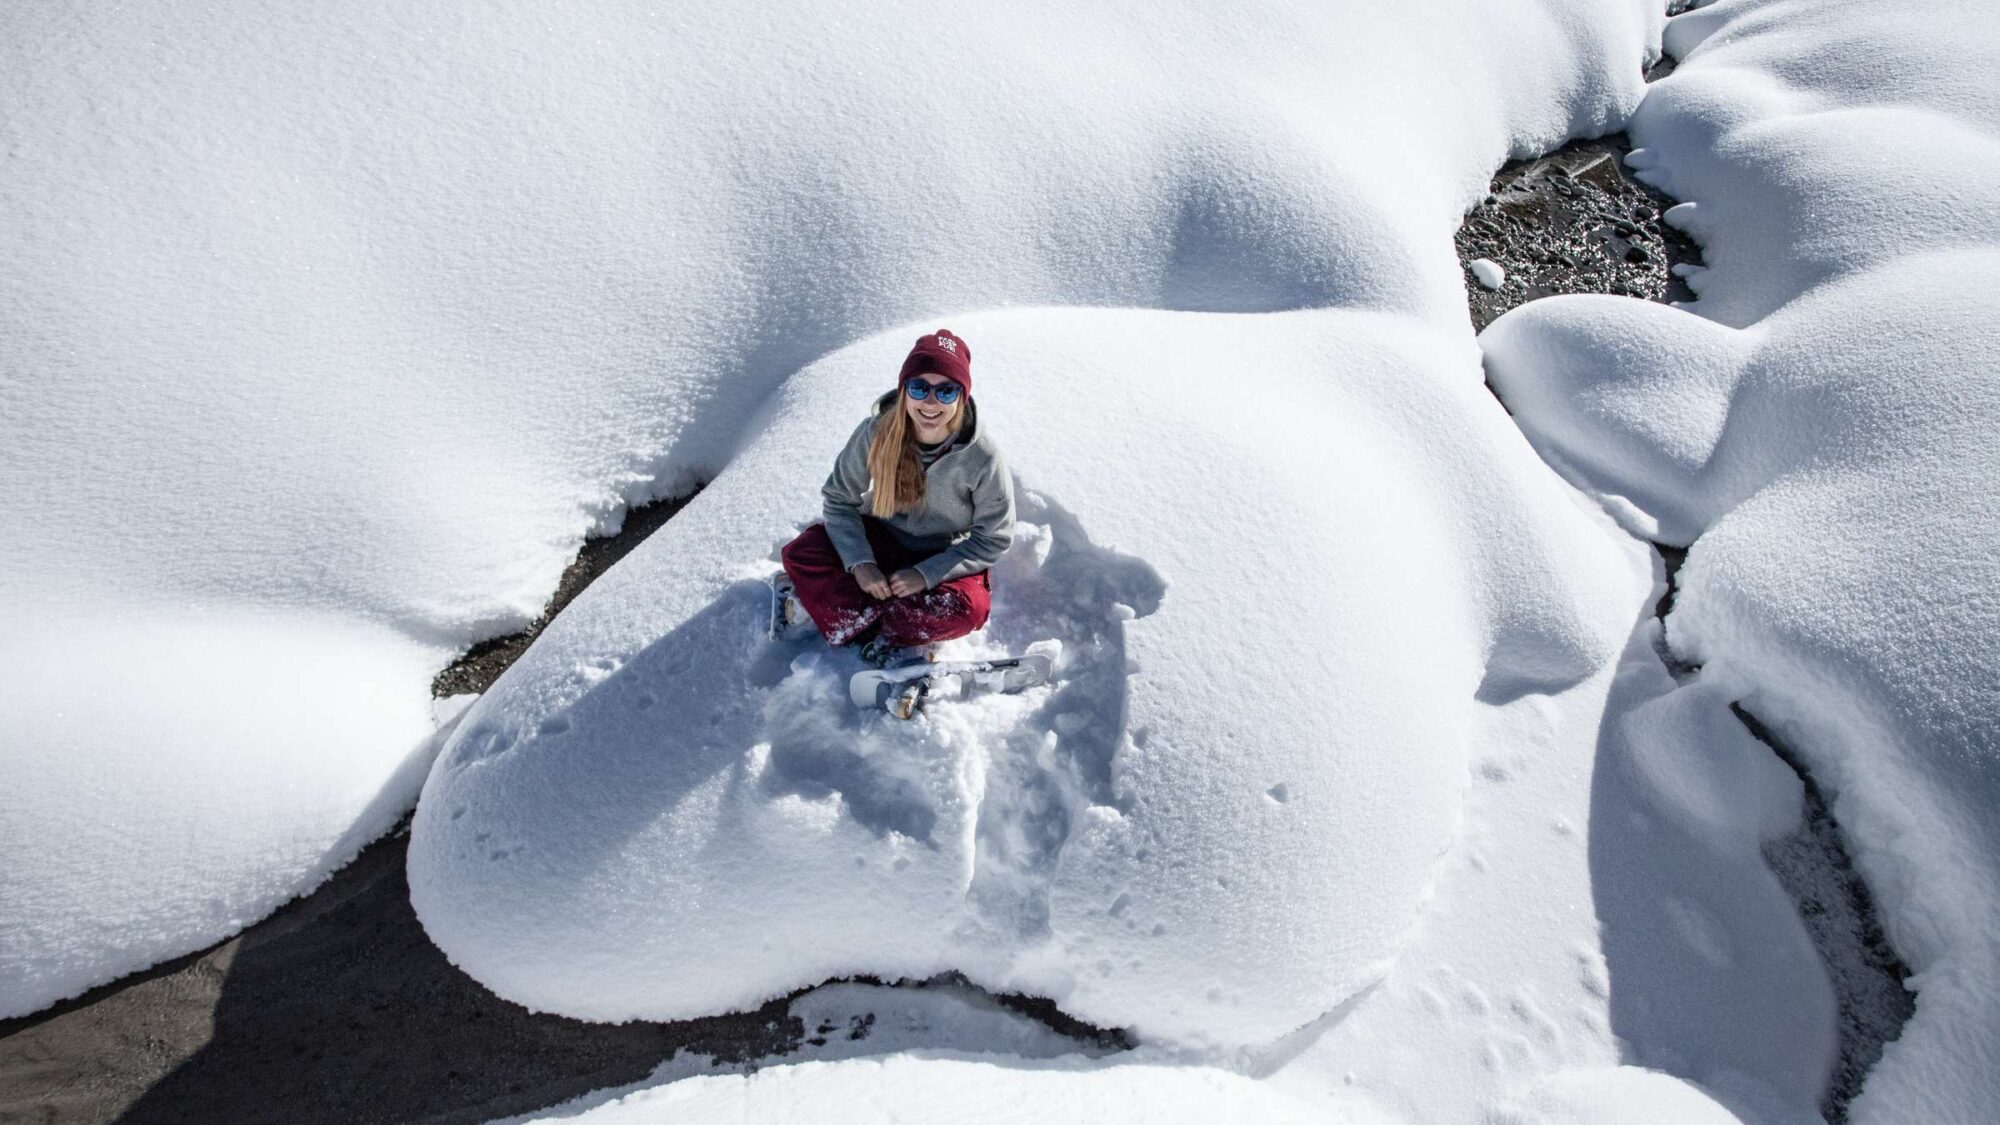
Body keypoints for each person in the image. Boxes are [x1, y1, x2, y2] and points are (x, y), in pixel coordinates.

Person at [779, 328, 1014, 662]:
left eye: (946, 391)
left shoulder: (982, 456)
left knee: (970, 610)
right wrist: (861, 563)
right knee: (802, 552)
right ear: (905, 390)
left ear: (962, 396)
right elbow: (838, 499)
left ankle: (866, 620)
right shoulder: (876, 432)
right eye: (920, 387)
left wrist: (926, 574)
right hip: (881, 540)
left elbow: (994, 538)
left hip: (943, 554)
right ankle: (889, 624)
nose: (930, 402)